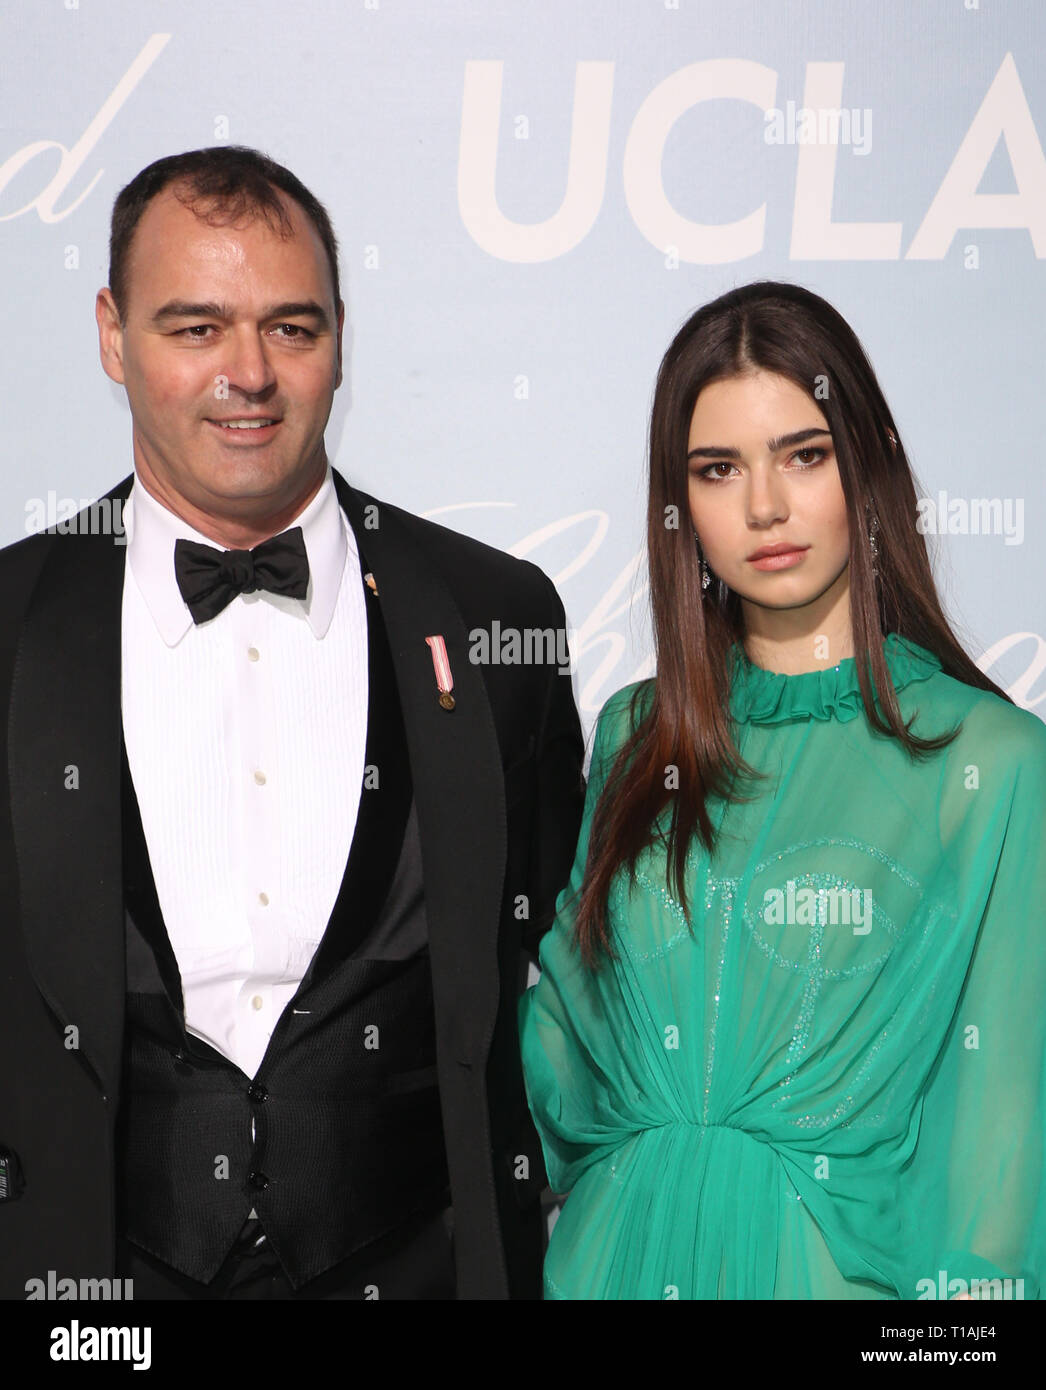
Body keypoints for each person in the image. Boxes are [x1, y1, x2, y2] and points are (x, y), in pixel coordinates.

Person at [0, 145, 584, 1300]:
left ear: (339, 340)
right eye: (195, 328)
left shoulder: (494, 616)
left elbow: (557, 958)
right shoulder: (10, 624)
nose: (249, 373)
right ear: (113, 336)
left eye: (292, 329)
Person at [519, 281, 1046, 1301]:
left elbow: (1000, 1155)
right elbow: (565, 1052)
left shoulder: (990, 762)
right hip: (611, 1266)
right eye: (716, 470)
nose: (762, 506)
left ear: (869, 457)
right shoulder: (636, 735)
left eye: (801, 455)